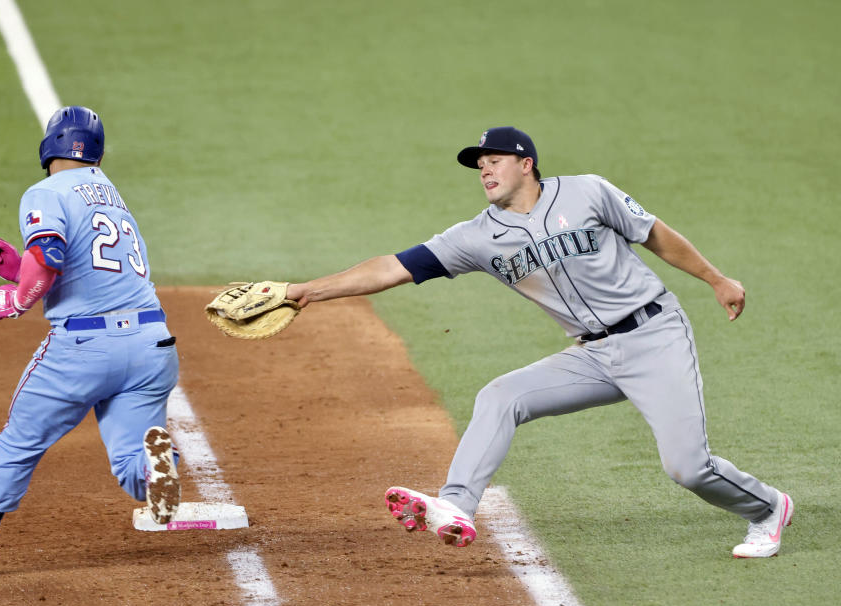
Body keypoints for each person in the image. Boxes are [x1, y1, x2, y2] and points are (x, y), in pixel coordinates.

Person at [284, 126, 793, 558]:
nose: (485, 171)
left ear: (526, 164)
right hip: (592, 353)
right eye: (479, 164)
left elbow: (654, 233)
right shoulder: (476, 236)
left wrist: (717, 279)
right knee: (501, 396)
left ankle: (768, 507)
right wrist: (309, 290)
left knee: (687, 467)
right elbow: (392, 267)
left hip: (655, 334)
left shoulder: (588, 191)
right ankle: (456, 504)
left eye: (495, 160)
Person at [0, 106, 182, 579]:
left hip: (85, 350)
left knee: (20, 441)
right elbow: (85, 269)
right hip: (152, 343)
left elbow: (49, 256)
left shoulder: (45, 191)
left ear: (49, 146)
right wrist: (20, 271)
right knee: (136, 472)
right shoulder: (112, 196)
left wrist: (16, 296)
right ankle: (161, 466)